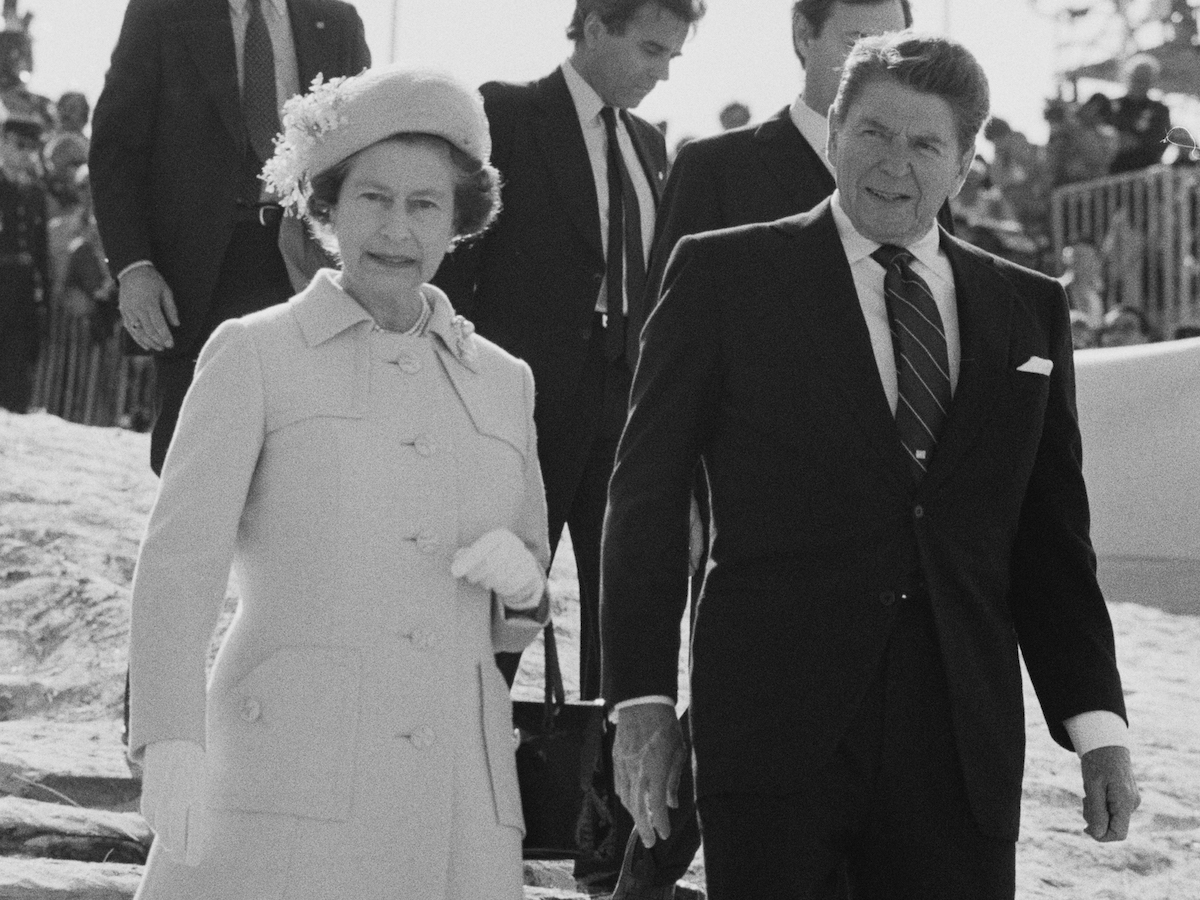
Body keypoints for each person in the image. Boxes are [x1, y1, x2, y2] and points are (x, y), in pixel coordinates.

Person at [602, 32, 1139, 900]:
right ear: (835, 133)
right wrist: (641, 702)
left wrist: (1097, 725)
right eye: (872, 133)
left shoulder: (1029, 311)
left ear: (965, 163)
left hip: (960, 747)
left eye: (925, 143)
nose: (893, 164)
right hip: (772, 729)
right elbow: (645, 498)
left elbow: (1050, 541)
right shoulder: (722, 275)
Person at [127, 66, 551, 900]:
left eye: (425, 204)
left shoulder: (505, 381)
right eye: (372, 198)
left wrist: (526, 586)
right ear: (326, 207)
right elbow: (180, 563)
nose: (396, 227)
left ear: (460, 220)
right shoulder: (255, 353)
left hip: (457, 796)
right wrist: (170, 737)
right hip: (283, 781)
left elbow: (515, 618)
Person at [434, 0, 705, 702]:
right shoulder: (507, 112)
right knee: (497, 604)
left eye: (672, 56)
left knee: (626, 612)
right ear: (593, 29)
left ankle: (605, 790)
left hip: (626, 408)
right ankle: (461, 761)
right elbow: (459, 260)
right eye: (650, 50)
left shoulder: (651, 144)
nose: (662, 72)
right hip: (521, 406)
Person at [89, 0, 370, 476]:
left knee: (299, 462)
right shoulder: (162, 12)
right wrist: (134, 268)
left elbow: (367, 148)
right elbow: (116, 148)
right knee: (191, 463)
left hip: (308, 267)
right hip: (196, 277)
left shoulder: (337, 20)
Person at [0, 109, 49, 413]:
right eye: (19, 146)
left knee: (17, 371)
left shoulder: (34, 194)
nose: (26, 155)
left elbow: (40, 249)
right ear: (4, 142)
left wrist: (43, 291)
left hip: (22, 292)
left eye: (31, 148)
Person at [1104, 54, 1172, 175]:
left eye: (1145, 80)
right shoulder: (1110, 106)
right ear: (1127, 78)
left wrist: (1137, 142)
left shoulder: (1159, 110)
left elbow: (1162, 140)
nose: (1140, 84)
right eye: (1136, 79)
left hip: (1143, 178)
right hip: (1110, 176)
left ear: (1152, 82)